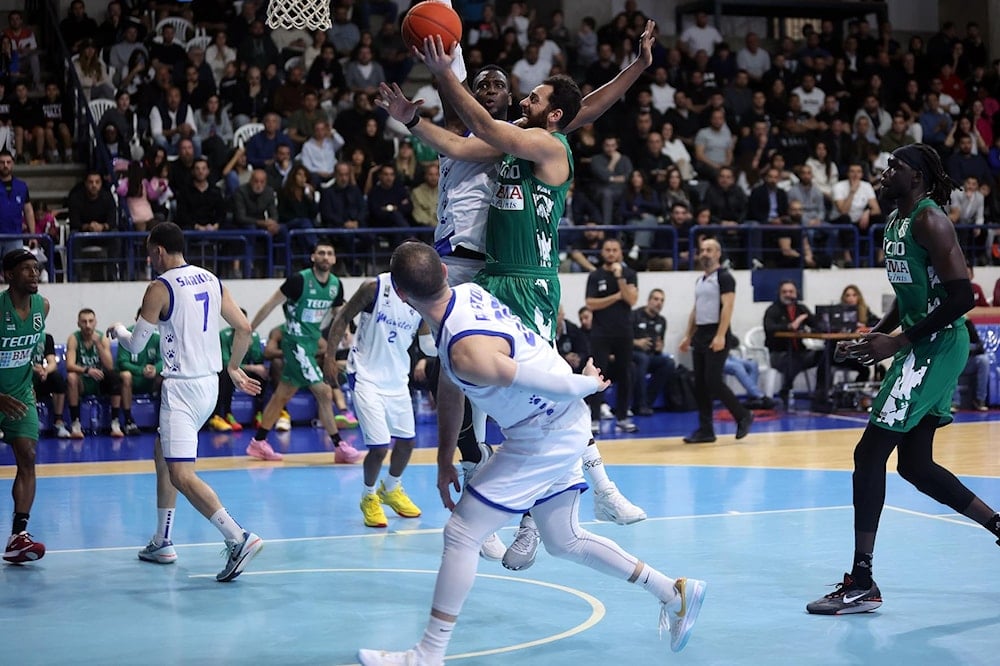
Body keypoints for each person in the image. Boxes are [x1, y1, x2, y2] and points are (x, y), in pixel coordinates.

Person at [378, 20, 656, 562]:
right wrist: (413, 118)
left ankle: (589, 490)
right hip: (481, 270)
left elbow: (583, 108)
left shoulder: (533, 141)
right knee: (468, 380)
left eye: (508, 88)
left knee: (542, 391)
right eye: (479, 83)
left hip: (526, 277)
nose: (500, 92)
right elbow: (462, 135)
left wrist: (441, 76)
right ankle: (500, 497)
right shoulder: (492, 144)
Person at [356, 242, 707, 665]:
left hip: (545, 432)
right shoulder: (468, 296)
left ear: (399, 293)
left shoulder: (465, 350)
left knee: (462, 534)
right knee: (564, 540)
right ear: (445, 275)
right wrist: (444, 456)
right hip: (558, 424)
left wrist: (587, 384)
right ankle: (673, 593)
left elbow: (531, 377)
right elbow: (451, 386)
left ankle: (427, 654)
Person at [807, 143, 1000, 615]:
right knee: (914, 465)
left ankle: (863, 581)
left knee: (869, 451)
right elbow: (912, 292)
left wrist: (900, 341)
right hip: (920, 342)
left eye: (894, 166)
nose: (885, 172)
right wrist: (879, 332)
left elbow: (961, 297)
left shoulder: (931, 220)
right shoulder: (895, 221)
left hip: (937, 346)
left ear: (915, 177)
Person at [108, 222, 263, 581]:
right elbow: (244, 328)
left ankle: (238, 537)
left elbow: (135, 345)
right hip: (211, 385)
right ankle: (162, 540)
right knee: (163, 453)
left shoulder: (159, 288)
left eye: (149, 252)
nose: (149, 258)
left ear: (159, 251)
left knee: (181, 472)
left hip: (181, 388)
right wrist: (234, 366)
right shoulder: (211, 278)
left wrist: (117, 330)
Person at [326, 274, 433, 528]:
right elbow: (342, 318)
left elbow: (429, 345)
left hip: (397, 379)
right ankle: (369, 496)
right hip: (365, 375)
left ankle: (392, 488)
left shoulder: (424, 297)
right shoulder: (374, 288)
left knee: (407, 442)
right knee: (380, 446)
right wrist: (329, 357)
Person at [247, 241, 362, 463]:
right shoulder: (298, 281)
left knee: (282, 395)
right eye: (321, 253)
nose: (325, 257)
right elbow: (270, 305)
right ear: (313, 257)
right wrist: (250, 328)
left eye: (330, 253)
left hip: (311, 343)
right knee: (324, 391)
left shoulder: (336, 285)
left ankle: (258, 443)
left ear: (335, 259)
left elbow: (339, 315)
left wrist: (346, 331)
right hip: (294, 342)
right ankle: (339, 446)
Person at [678, 238, 753, 443]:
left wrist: (720, 335)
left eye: (709, 250)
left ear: (718, 253)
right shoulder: (700, 281)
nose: (705, 253)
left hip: (717, 332)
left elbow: (728, 307)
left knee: (713, 380)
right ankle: (706, 430)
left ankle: (743, 415)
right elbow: (697, 309)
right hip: (700, 333)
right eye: (702, 250)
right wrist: (688, 335)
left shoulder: (725, 277)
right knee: (700, 383)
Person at [1, 250, 48, 563]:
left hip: (21, 395)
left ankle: (19, 536)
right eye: (27, 269)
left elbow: (31, 347)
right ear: (8, 275)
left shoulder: (42, 306)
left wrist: (37, 365)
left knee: (28, 456)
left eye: (37, 268)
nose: (34, 274)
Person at [585, 238, 639, 433]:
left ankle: (623, 417)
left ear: (620, 253)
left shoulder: (629, 274)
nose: (611, 253)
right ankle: (595, 418)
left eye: (615, 250)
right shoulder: (595, 275)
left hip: (624, 332)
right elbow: (591, 303)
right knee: (598, 374)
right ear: (602, 253)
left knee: (626, 374)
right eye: (607, 250)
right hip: (601, 333)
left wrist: (620, 279)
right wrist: (617, 297)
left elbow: (632, 300)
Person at [763, 280, 825, 406]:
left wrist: (813, 328)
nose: (788, 295)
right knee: (794, 359)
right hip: (779, 353)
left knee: (824, 356)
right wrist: (790, 326)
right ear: (779, 294)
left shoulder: (801, 309)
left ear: (796, 293)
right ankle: (785, 389)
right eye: (784, 292)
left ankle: (821, 392)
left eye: (791, 292)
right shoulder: (772, 310)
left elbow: (817, 324)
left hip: (800, 352)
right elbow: (769, 328)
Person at [65, 308, 123, 438]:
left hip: (100, 381)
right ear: (78, 324)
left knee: (114, 376)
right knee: (71, 377)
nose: (88, 325)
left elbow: (109, 366)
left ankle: (115, 422)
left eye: (91, 321)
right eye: (84, 322)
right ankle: (75, 424)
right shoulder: (74, 338)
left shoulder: (102, 338)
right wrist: (87, 370)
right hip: (83, 381)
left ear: (96, 322)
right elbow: (69, 365)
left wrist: (98, 344)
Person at [209, 309, 267, 432]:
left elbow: (257, 359)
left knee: (262, 372)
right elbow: (225, 361)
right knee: (226, 373)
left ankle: (259, 413)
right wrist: (247, 367)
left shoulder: (253, 336)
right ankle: (222, 415)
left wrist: (250, 346)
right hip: (230, 369)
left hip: (244, 369)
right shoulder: (224, 336)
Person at [115, 310, 163, 436]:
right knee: (125, 375)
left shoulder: (158, 337)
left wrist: (155, 369)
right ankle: (128, 420)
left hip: (151, 380)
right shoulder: (127, 335)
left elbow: (165, 360)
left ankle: (163, 420)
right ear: (136, 319)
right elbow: (122, 362)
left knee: (165, 376)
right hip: (133, 380)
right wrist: (140, 370)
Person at [631, 288, 675, 416]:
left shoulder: (662, 321)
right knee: (642, 359)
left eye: (662, 300)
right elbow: (623, 340)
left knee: (669, 362)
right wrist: (637, 342)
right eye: (656, 299)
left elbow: (661, 342)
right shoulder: (635, 315)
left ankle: (648, 402)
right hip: (633, 354)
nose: (659, 303)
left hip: (651, 356)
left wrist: (660, 347)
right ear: (648, 301)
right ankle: (639, 404)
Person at [32, 331, 69, 438]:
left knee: (57, 379)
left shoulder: (46, 338)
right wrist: (33, 369)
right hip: (24, 376)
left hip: (40, 377)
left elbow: (52, 363)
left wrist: (45, 371)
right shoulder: (19, 337)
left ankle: (58, 421)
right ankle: (30, 423)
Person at [0, 150, 34, 256]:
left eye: (8, 162)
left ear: (13, 163)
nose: (5, 165)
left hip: (15, 237)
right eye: (2, 162)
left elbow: (28, 211)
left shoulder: (21, 186)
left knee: (15, 269)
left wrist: (32, 235)